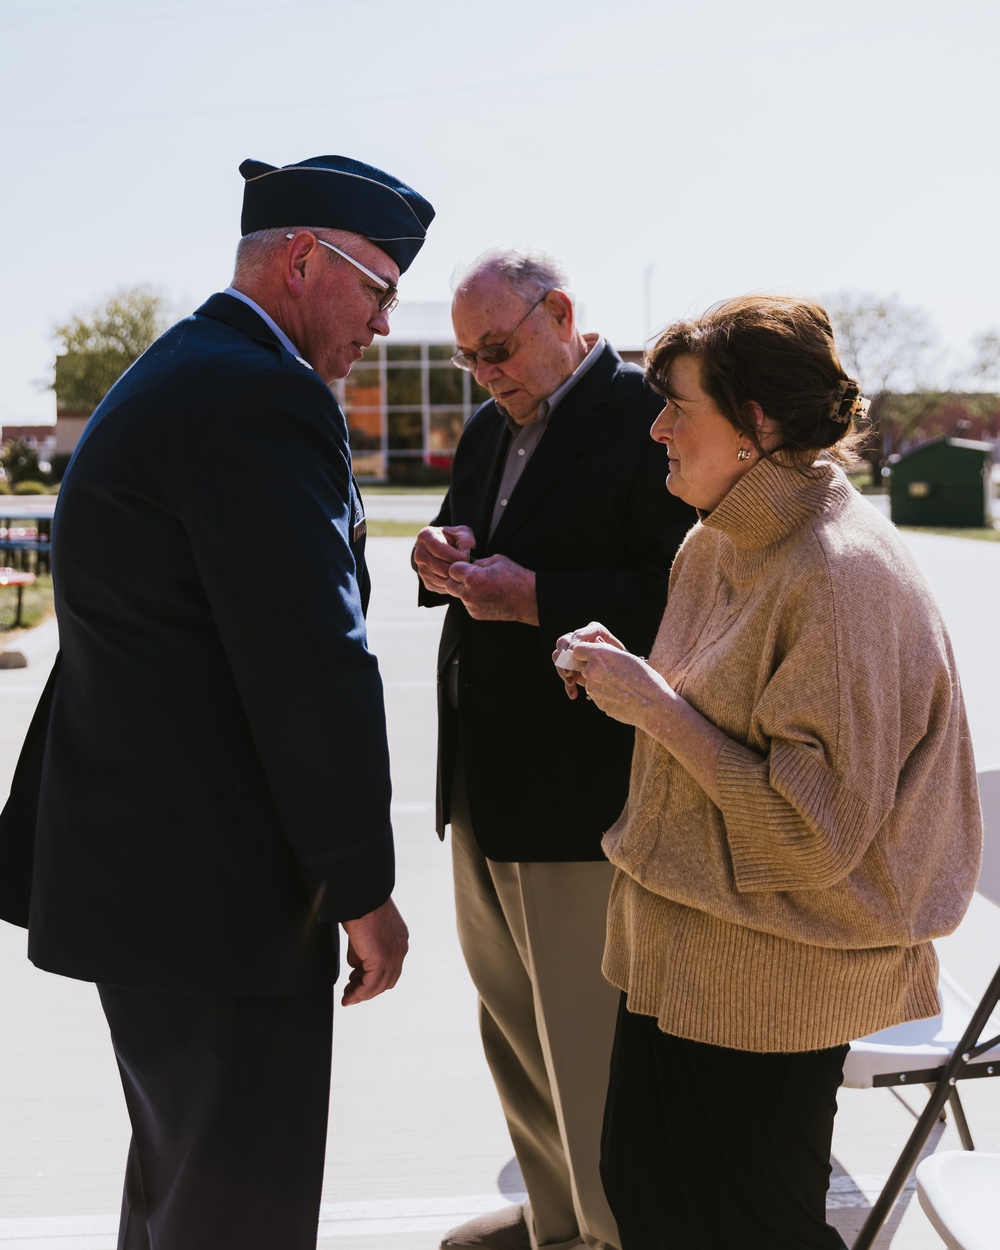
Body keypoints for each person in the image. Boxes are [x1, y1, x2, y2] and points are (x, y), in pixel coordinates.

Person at [0, 154, 434, 1250]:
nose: (382, 325)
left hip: (154, 878)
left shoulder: (183, 368)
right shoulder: (261, 394)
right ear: (302, 259)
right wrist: (360, 884)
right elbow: (308, 663)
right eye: (379, 288)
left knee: (182, 1186)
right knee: (237, 1207)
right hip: (219, 888)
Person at [553, 293, 983, 1250]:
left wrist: (652, 705)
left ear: (757, 424)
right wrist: (638, 684)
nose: (654, 426)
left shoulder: (840, 576)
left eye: (678, 406)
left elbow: (810, 833)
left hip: (771, 979)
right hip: (683, 952)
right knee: (647, 1196)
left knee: (742, 1229)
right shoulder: (718, 538)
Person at [413, 248, 696, 1250]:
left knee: (587, 1051)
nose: (486, 372)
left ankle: (612, 1232)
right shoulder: (494, 425)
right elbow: (478, 537)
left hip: (583, 796)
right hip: (483, 789)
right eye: (467, 359)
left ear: (562, 312)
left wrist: (536, 597)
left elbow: (682, 597)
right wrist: (436, 551)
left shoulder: (646, 417)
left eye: (497, 347)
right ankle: (556, 1223)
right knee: (518, 1041)